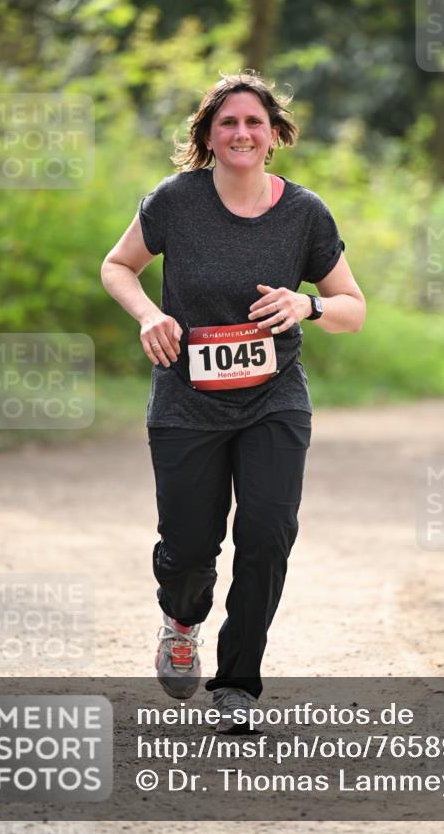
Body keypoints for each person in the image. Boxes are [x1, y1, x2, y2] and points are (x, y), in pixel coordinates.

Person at [101, 72, 366, 731]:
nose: (242, 133)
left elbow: (352, 309)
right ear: (208, 137)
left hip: (273, 400)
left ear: (275, 135)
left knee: (266, 535)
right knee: (190, 548)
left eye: (254, 122)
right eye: (228, 123)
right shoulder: (175, 201)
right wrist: (146, 316)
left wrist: (307, 303)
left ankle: (237, 684)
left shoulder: (304, 213)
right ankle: (181, 620)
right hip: (186, 400)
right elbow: (117, 265)